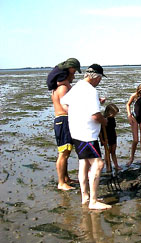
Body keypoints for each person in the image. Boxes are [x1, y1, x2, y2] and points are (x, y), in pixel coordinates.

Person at [60, 64, 111, 210]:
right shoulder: (91, 91)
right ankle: (93, 201)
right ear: (96, 77)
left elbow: (64, 103)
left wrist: (77, 113)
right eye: (100, 78)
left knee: (84, 164)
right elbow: (95, 116)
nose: (100, 81)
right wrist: (104, 121)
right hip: (87, 135)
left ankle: (85, 197)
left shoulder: (78, 86)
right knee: (98, 164)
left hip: (75, 132)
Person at [47, 58, 81, 191]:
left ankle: (66, 178)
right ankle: (61, 182)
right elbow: (66, 106)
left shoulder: (58, 87)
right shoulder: (62, 88)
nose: (73, 76)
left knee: (65, 151)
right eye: (73, 74)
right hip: (63, 120)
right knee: (64, 153)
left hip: (62, 120)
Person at [100, 103, 121, 171]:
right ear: (109, 112)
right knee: (107, 152)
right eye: (113, 113)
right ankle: (108, 166)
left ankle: (116, 165)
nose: (114, 115)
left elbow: (113, 128)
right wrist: (102, 139)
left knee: (113, 151)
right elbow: (100, 131)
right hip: (106, 137)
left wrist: (115, 135)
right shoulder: (104, 119)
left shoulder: (112, 119)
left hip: (113, 136)